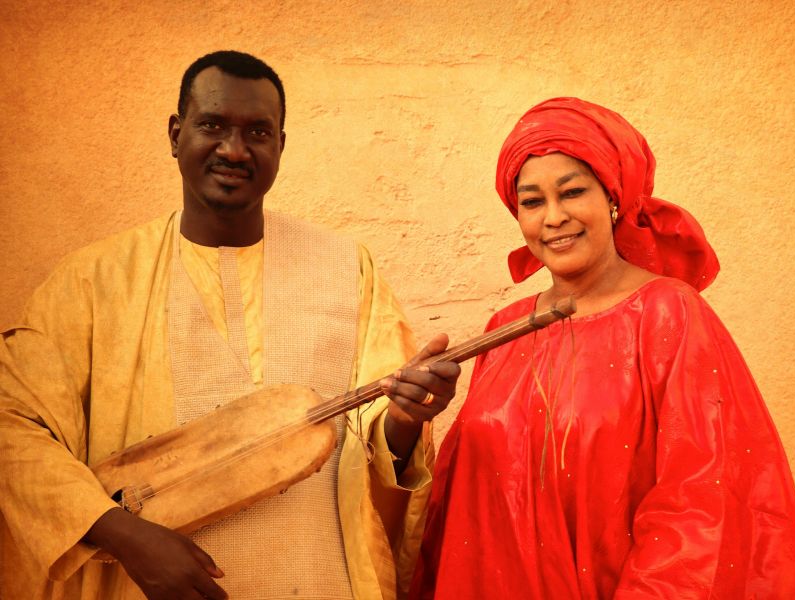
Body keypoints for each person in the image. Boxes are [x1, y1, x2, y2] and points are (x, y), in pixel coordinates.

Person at [0, 50, 461, 600]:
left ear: (280, 146)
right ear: (176, 135)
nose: (235, 150)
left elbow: (381, 437)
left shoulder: (347, 267)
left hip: (319, 581)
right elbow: (14, 427)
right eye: (213, 125)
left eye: (257, 132)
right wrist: (123, 534)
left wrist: (406, 418)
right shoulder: (92, 280)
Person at [411, 97, 795, 599]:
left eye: (572, 192)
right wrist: (405, 423)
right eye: (532, 202)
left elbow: (699, 496)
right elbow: (464, 503)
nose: (554, 217)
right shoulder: (505, 329)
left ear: (613, 197)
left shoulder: (668, 313)